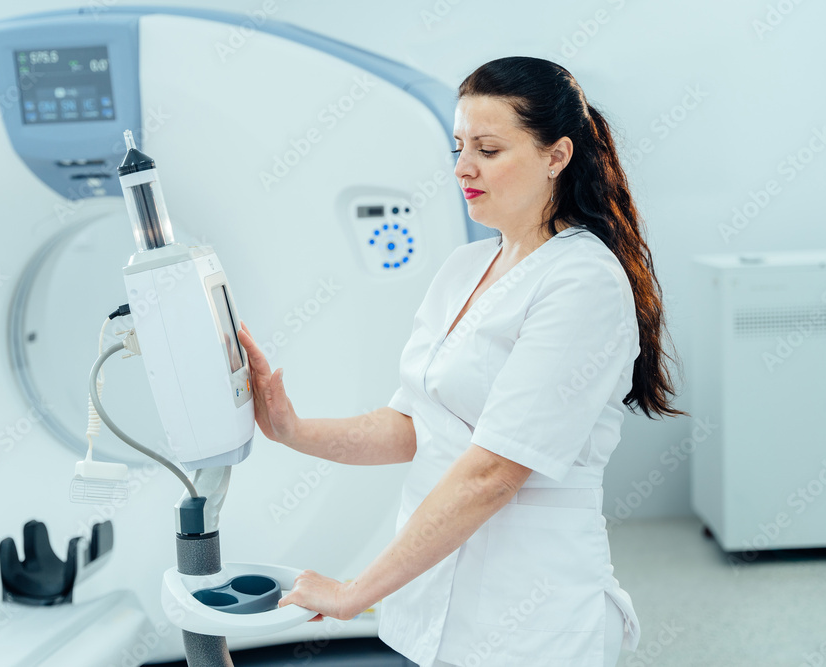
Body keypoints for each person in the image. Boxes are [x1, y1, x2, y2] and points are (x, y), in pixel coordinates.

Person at [236, 56, 687, 667]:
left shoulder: (583, 282)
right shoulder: (464, 271)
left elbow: (495, 471)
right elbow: (415, 427)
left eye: (489, 149)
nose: (462, 168)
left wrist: (353, 593)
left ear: (556, 156)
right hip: (438, 607)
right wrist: (291, 431)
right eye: (458, 146)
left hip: (536, 615)